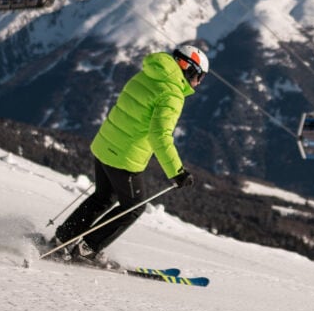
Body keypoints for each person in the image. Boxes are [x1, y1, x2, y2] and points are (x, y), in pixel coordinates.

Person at [51, 43, 208, 264]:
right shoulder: (172, 92)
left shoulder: (148, 73)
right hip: (124, 157)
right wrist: (177, 171)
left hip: (106, 144)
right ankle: (87, 248)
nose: (199, 82)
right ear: (189, 68)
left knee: (103, 197)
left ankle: (63, 238)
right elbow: (160, 136)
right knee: (134, 207)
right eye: (200, 76)